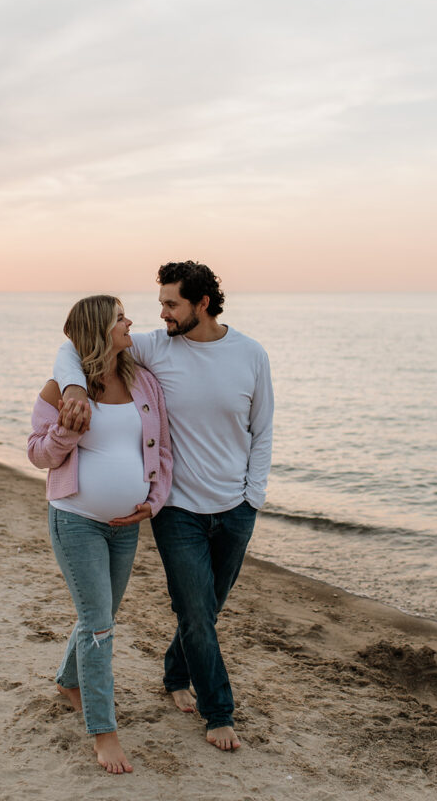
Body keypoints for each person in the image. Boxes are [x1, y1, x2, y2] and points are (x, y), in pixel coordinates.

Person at [54, 262, 273, 752]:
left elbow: (263, 430)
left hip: (235, 507)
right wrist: (72, 387)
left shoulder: (251, 354)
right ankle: (219, 712)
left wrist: (252, 498)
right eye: (159, 304)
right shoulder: (157, 346)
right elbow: (76, 347)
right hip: (175, 511)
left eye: (171, 304)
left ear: (202, 304)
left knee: (207, 610)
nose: (161, 314)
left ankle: (176, 674)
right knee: (195, 612)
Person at [27, 295, 172, 774]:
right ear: (98, 330)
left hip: (126, 526)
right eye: (119, 318)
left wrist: (155, 500)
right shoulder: (63, 390)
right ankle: (103, 732)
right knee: (99, 625)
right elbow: (38, 454)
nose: (130, 322)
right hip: (75, 519)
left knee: (100, 615)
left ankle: (70, 680)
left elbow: (163, 450)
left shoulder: (142, 380)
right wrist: (65, 433)